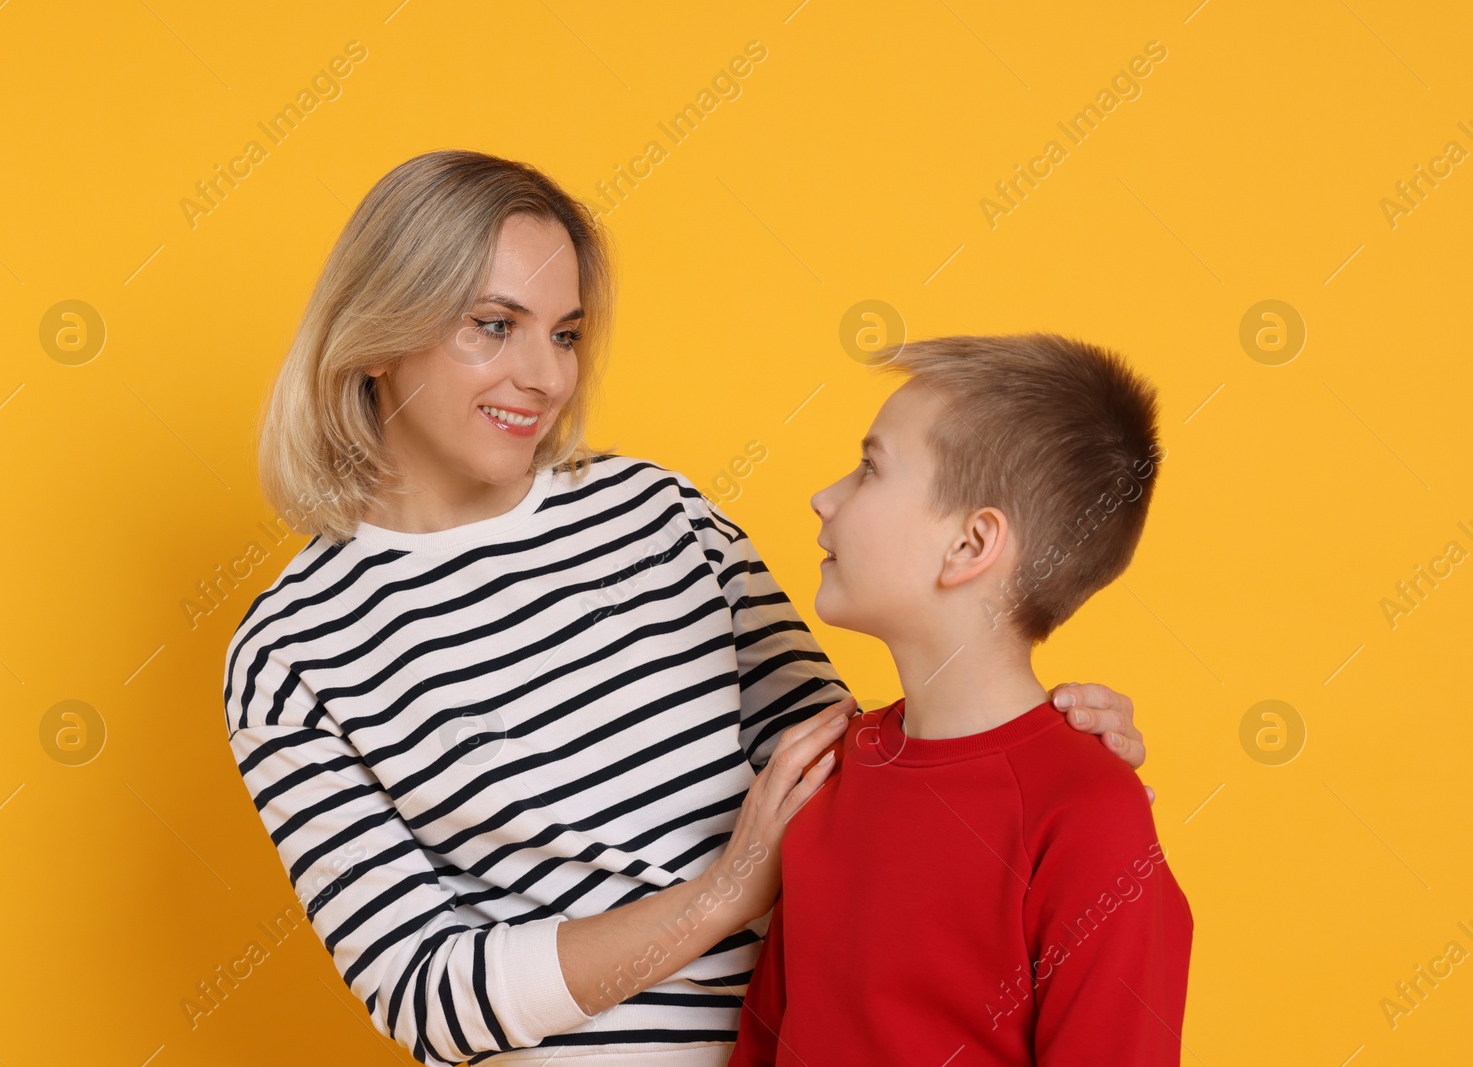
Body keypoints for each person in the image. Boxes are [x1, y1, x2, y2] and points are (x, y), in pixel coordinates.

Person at [222, 149, 1151, 1067]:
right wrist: (723, 893)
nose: (544, 377)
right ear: (380, 331)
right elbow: (428, 994)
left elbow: (845, 778)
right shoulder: (293, 651)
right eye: (493, 324)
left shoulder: (659, 515)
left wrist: (1036, 758)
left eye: (566, 332)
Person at [728, 333, 1192, 1066]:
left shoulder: (1091, 819)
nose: (824, 497)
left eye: (869, 468)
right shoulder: (824, 775)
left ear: (971, 545)